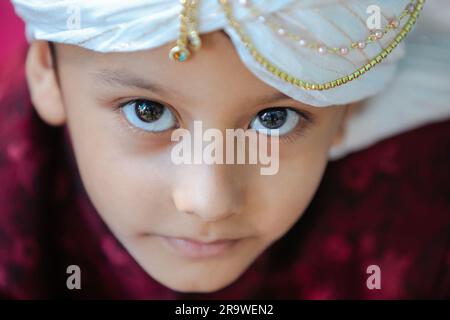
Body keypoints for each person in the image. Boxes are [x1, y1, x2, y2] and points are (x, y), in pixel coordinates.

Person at [0, 0, 449, 298]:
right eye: (147, 111)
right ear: (47, 76)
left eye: (274, 120)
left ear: (348, 111)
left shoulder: (423, 214)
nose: (208, 202)